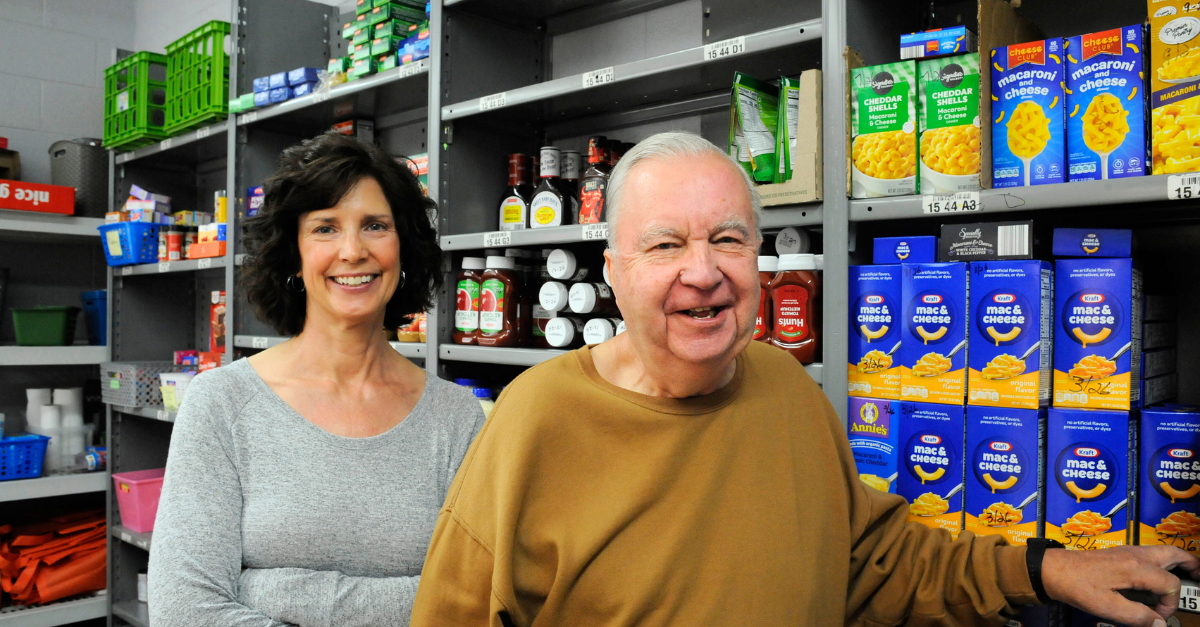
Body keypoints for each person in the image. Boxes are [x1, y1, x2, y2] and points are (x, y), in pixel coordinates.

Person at [410, 132, 1199, 627]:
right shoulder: (533, 423)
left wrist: (1046, 566)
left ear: (758, 262)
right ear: (612, 270)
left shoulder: (785, 388)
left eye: (728, 238)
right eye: (663, 246)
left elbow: (873, 563)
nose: (702, 271)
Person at [149, 132, 486, 626]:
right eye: (325, 228)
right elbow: (183, 612)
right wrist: (410, 601)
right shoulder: (221, 404)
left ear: (404, 248)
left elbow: (471, 602)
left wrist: (269, 589)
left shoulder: (454, 418)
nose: (352, 251)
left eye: (375, 225)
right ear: (294, 254)